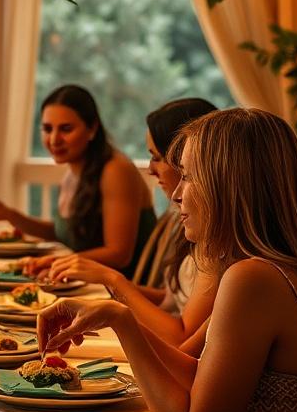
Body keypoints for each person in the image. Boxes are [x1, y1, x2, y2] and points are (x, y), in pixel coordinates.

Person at [39, 108, 297, 412]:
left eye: (190, 177)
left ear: (229, 186)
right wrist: (115, 315)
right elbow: (199, 374)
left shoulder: (253, 280)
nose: (177, 194)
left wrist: (125, 324)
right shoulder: (279, 269)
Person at [47, 98, 219, 352]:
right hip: (162, 343)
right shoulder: (189, 224)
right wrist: (104, 288)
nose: (150, 169)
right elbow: (171, 300)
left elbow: (181, 337)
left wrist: (113, 280)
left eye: (157, 157)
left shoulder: (217, 244)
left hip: (170, 351)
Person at [0, 84, 156, 278]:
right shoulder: (74, 171)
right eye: (47, 129)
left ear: (92, 129)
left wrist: (54, 261)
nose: (54, 139)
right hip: (86, 282)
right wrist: (10, 215)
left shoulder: (115, 170)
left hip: (120, 289)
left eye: (66, 129)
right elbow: (62, 232)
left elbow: (119, 254)